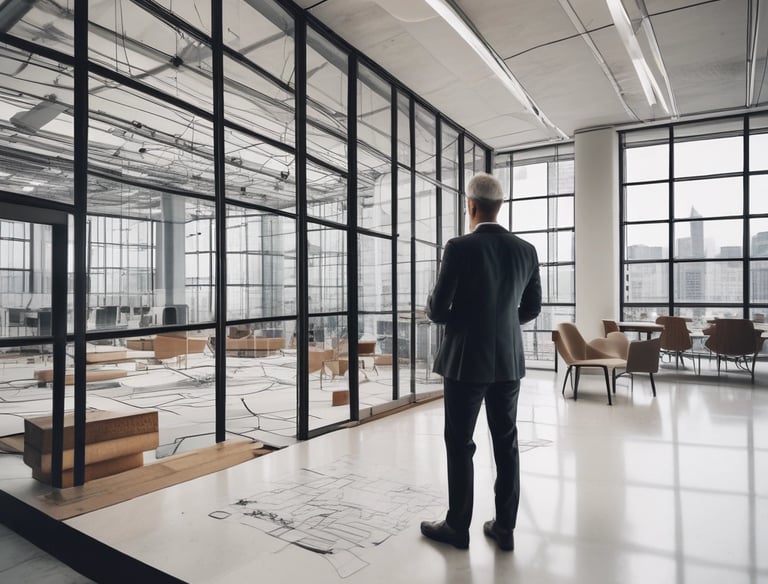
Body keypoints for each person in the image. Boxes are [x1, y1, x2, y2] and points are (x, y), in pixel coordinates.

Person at [420, 172, 542, 551]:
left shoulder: (458, 247)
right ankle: (504, 528)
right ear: (499, 206)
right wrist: (502, 323)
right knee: (506, 443)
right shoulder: (527, 250)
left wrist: (462, 316)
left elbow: (438, 311)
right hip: (507, 362)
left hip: (464, 362)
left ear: (470, 205)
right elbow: (532, 308)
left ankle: (458, 527)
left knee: (460, 443)